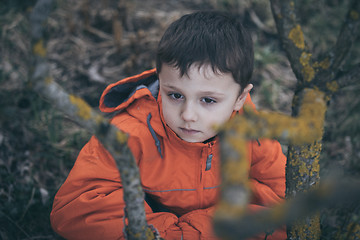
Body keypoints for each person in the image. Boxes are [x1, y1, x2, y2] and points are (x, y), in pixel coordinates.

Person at [50, 11, 286, 239]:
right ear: (161, 82)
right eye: (175, 95)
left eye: (208, 100)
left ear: (240, 99)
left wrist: (196, 231)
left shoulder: (254, 136)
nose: (188, 115)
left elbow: (291, 206)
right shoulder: (129, 134)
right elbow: (75, 209)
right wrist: (172, 234)